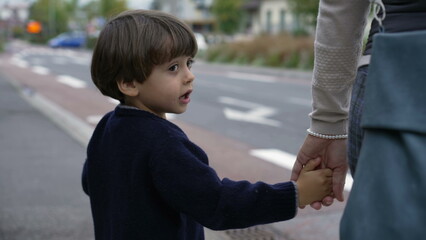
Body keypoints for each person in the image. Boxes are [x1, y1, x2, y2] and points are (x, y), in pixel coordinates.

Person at [81, 9, 333, 240]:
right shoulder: (162, 143)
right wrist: (296, 193)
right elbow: (217, 203)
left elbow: (90, 182)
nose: (189, 75)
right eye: (173, 67)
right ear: (128, 83)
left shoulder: (108, 126)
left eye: (188, 63)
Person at [291, 0, 426, 209]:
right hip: (391, 75)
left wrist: (328, 124)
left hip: (392, 72)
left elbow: (341, 7)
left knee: (390, 220)